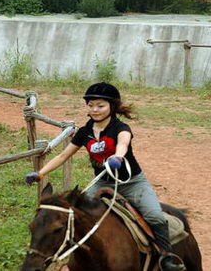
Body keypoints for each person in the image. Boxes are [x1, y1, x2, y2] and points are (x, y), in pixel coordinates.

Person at [25, 82, 185, 271]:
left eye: (100, 105)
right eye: (91, 105)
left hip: (131, 182)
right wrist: (40, 173)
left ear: (112, 107)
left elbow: (123, 144)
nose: (95, 110)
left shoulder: (121, 128)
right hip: (102, 181)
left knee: (155, 215)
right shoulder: (84, 132)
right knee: (77, 216)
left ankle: (167, 257)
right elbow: (62, 155)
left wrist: (117, 156)